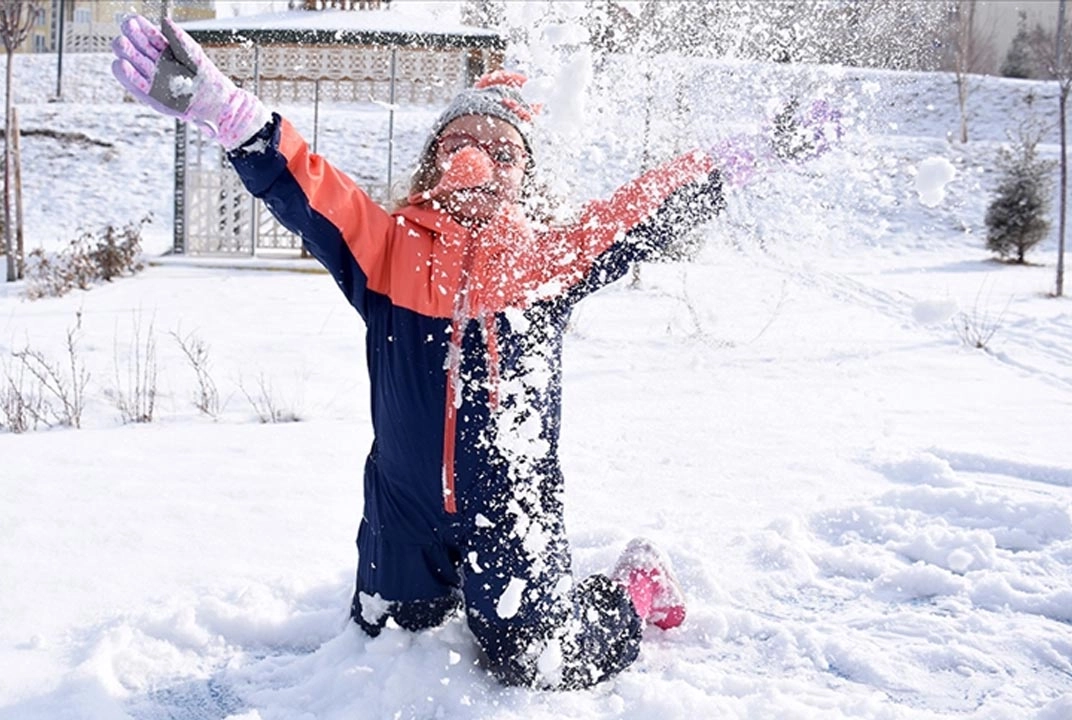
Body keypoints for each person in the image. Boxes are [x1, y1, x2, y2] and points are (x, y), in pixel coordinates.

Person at [111, 13, 831, 689]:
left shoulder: (548, 262)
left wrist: (755, 153)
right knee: (385, 633)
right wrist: (227, 112)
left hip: (511, 511)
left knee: (535, 659)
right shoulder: (384, 247)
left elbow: (642, 208)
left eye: (502, 149)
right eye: (459, 143)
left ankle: (632, 589)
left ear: (527, 174)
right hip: (403, 508)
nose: (477, 160)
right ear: (432, 162)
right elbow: (310, 189)